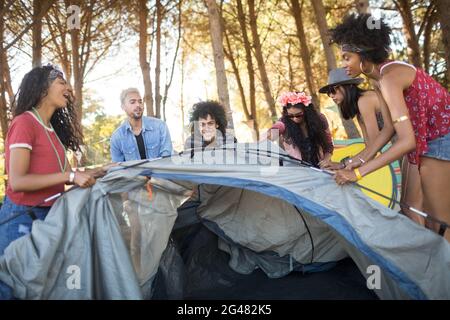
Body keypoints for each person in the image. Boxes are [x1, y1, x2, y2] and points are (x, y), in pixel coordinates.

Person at [330, 14, 449, 241]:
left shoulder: (389, 78)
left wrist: (357, 174)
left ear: (363, 53)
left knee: (441, 223)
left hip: (442, 138)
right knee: (409, 207)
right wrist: (358, 159)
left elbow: (407, 141)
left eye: (347, 57)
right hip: (427, 141)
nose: (344, 64)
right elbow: (389, 130)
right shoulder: (378, 80)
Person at [0, 65, 107, 299]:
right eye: (61, 82)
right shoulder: (24, 123)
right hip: (22, 219)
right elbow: (17, 181)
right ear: (42, 89)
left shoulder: (51, 131)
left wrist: (100, 171)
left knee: (40, 289)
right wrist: (70, 177)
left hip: (48, 219)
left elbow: (67, 173)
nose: (68, 88)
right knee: (14, 289)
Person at [318, 67, 394, 170]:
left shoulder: (364, 101)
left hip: (413, 136)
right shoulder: (359, 113)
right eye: (328, 92)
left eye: (333, 90)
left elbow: (375, 146)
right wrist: (343, 165)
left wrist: (343, 164)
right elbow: (370, 149)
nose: (331, 95)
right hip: (403, 141)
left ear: (348, 86)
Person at [266, 91, 334, 168]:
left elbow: (329, 145)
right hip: (297, 170)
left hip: (321, 168)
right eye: (291, 116)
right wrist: (269, 136)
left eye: (298, 115)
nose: (295, 119)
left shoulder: (320, 119)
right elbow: (271, 134)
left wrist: (326, 160)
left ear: (306, 111)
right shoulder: (283, 122)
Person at [110, 87, 173, 162]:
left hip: (160, 173)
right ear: (123, 107)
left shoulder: (160, 126)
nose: (138, 105)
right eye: (132, 102)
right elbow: (119, 167)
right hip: (133, 174)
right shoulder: (117, 137)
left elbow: (167, 158)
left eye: (140, 102)